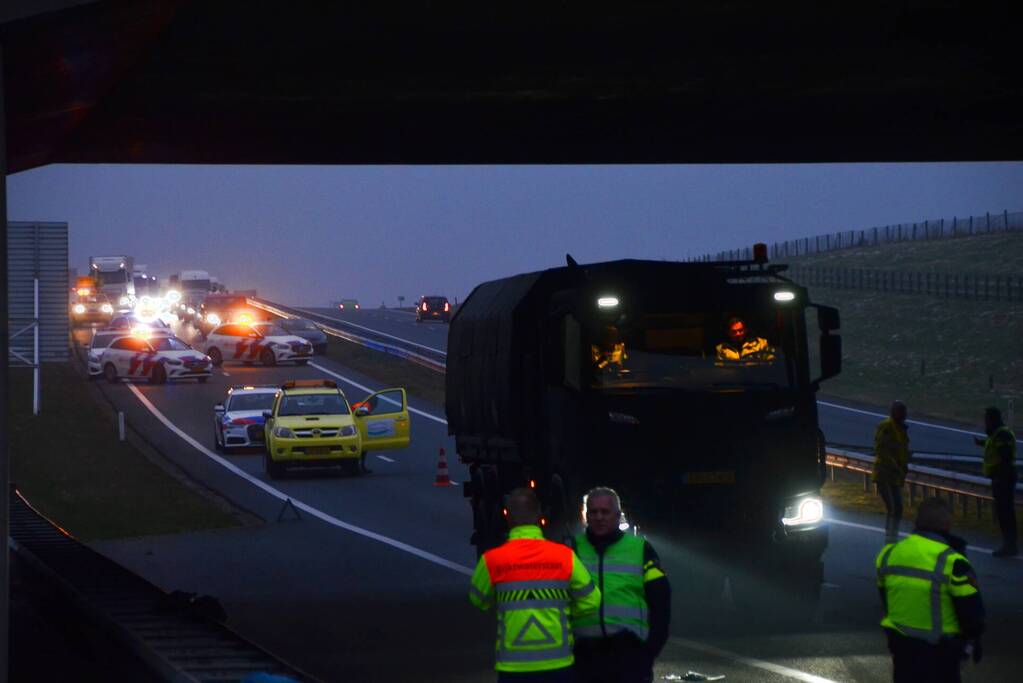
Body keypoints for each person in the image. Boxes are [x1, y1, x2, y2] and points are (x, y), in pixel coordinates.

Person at [470, 487, 601, 682]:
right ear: (539, 515)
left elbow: (478, 600)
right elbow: (592, 600)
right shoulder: (564, 556)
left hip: (513, 667)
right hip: (558, 663)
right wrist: (562, 612)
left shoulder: (492, 560)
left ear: (507, 516)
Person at [876, 497, 985, 683]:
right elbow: (972, 614)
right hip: (940, 655)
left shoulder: (888, 554)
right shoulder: (953, 562)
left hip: (901, 649)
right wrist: (973, 642)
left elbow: (886, 599)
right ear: (948, 524)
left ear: (916, 523)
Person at [572, 488, 671, 683]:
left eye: (605, 512)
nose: (599, 517)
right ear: (586, 515)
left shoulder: (640, 548)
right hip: (584, 657)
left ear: (618, 515)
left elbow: (661, 603)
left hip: (629, 656)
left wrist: (649, 651)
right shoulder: (571, 549)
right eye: (593, 512)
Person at [974, 406, 1017, 557]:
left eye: (986, 419)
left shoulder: (1001, 434)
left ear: (992, 419)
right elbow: (994, 448)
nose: (985, 422)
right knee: (1004, 511)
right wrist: (981, 443)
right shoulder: (997, 434)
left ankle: (1010, 544)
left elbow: (1005, 455)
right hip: (1000, 477)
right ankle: (1009, 543)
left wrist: (1000, 476)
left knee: (1005, 512)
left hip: (1003, 478)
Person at [872, 401, 911, 543]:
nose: (905, 415)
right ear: (895, 413)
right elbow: (881, 449)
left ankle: (893, 535)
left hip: (895, 475)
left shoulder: (901, 429)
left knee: (898, 507)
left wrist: (903, 465)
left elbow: (901, 449)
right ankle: (890, 537)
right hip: (884, 473)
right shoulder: (887, 427)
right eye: (902, 412)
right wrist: (895, 465)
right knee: (893, 507)